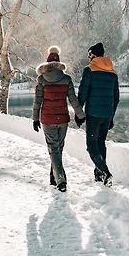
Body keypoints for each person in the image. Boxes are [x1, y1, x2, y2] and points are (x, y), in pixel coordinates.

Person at [32, 45, 85, 192]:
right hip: (62, 119)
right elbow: (73, 100)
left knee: (54, 149)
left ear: (47, 64)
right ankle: (53, 177)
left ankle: (60, 180)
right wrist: (81, 115)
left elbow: (38, 101)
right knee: (58, 148)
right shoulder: (66, 79)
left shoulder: (41, 79)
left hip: (47, 119)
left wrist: (35, 118)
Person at [76, 42, 119, 186]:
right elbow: (116, 97)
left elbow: (82, 93)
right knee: (101, 143)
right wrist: (111, 116)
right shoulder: (112, 72)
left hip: (93, 114)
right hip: (107, 114)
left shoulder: (89, 70)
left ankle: (105, 172)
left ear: (93, 54)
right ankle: (99, 175)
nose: (88, 57)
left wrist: (78, 113)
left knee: (91, 144)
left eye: (89, 54)